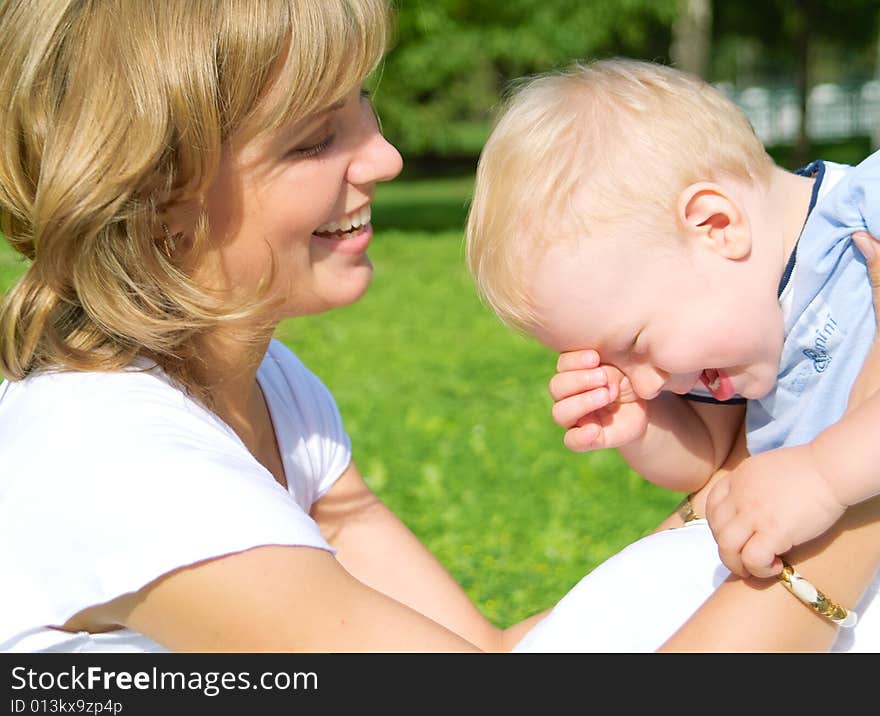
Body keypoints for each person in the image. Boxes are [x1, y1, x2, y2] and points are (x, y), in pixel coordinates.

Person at [0, 0, 555, 653]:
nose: (385, 157)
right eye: (316, 139)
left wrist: (703, 502)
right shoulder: (122, 462)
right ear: (155, 202)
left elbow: (484, 648)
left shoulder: (270, 388)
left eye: (363, 101)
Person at [466, 58, 880, 650]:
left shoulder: (864, 211)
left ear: (715, 225)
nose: (650, 380)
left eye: (634, 344)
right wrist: (645, 427)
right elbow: (710, 467)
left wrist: (822, 477)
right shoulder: (737, 331)